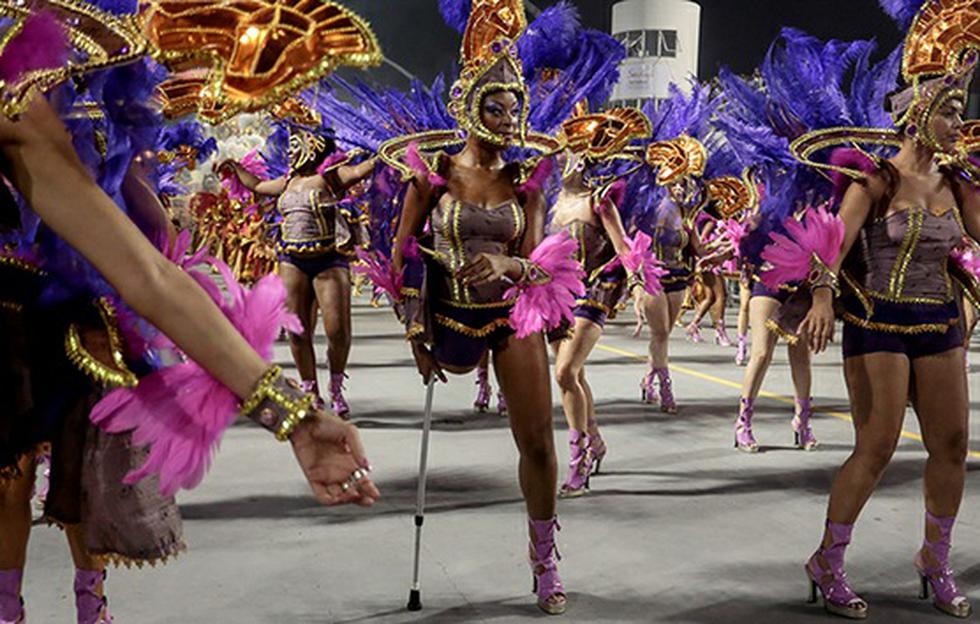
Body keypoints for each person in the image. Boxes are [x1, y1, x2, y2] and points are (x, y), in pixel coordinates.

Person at [783, 2, 980, 616]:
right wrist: (819, 296)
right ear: (918, 109)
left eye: (961, 110)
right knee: (877, 446)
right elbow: (831, 247)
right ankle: (828, 560)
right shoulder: (876, 180)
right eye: (950, 109)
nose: (960, 120)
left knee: (950, 446)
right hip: (878, 324)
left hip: (938, 324)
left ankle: (935, 560)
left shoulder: (960, 185)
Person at [220, 114, 377, 418]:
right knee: (296, 331)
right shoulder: (288, 182)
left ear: (313, 145)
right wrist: (235, 168)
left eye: (296, 144)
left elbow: (359, 171)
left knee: (338, 331)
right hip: (291, 260)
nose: (290, 151)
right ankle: (310, 388)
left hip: (328, 261)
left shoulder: (330, 176)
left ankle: (335, 385)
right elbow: (259, 185)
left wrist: (381, 153)